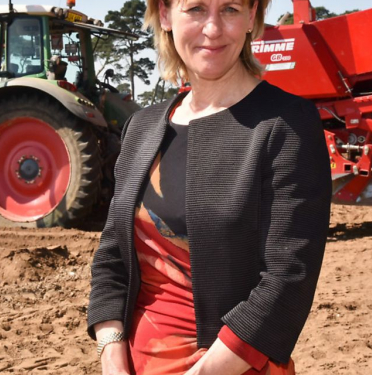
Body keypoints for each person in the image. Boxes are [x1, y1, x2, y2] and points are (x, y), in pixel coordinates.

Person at [87, 0, 332, 374]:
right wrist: (111, 353)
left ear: (252, 17)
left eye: (230, 9)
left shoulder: (286, 125)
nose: (213, 29)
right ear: (166, 15)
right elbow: (112, 258)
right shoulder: (141, 128)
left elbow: (288, 280)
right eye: (197, 8)